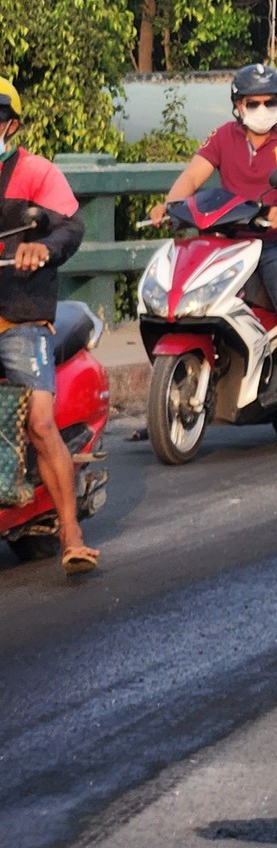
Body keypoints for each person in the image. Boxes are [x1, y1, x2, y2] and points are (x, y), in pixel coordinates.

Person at [150, 63, 277, 435]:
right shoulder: (222, 137)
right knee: (173, 307)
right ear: (238, 105)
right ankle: (167, 398)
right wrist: (169, 205)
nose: (263, 109)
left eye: (271, 102)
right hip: (228, 240)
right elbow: (192, 177)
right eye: (254, 103)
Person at [0, 79, 96, 575]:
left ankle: (72, 536)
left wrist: (44, 248)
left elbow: (72, 227)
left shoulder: (35, 172)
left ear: (10, 126)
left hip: (21, 315)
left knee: (39, 422)